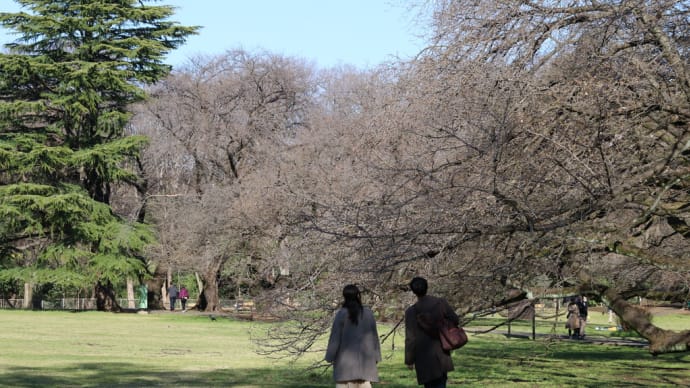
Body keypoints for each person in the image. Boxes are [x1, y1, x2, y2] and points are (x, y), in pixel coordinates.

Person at [405, 277, 459, 388]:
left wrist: (409, 360)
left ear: (413, 291)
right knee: (441, 383)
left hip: (423, 358)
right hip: (442, 352)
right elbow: (455, 320)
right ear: (427, 287)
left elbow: (411, 338)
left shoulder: (411, 312)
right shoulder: (441, 303)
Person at [325, 284, 381, 388]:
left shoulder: (341, 314)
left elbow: (334, 339)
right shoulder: (368, 314)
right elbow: (374, 338)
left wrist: (329, 356)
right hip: (365, 366)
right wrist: (376, 357)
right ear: (358, 296)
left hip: (344, 367)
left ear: (344, 296)